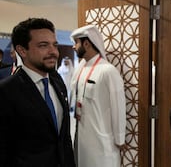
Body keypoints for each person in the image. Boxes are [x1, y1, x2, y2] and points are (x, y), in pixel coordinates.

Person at [0, 18, 76, 166]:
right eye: (43, 45)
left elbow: (64, 138)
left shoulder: (58, 82)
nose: (53, 52)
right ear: (22, 50)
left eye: (55, 45)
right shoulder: (6, 91)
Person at [70, 24, 126, 167]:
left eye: (76, 42)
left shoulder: (108, 71)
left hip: (101, 141)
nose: (73, 47)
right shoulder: (79, 69)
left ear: (87, 43)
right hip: (80, 138)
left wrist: (120, 139)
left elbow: (118, 106)